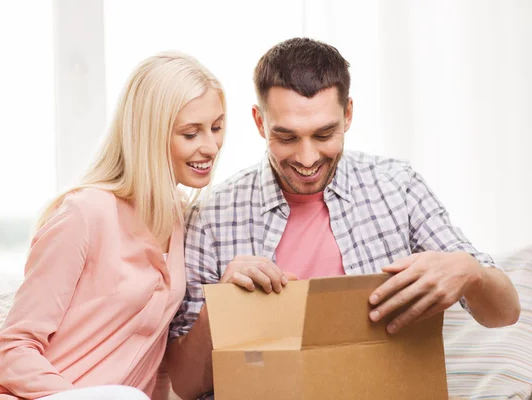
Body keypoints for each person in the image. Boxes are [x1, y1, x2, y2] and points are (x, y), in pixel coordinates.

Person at [165, 37, 521, 400]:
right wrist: (222, 307)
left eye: (324, 134)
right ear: (259, 121)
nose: (307, 158)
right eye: (286, 137)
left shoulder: (398, 187)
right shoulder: (211, 216)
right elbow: (184, 384)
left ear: (348, 114)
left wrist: (470, 272)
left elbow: (504, 313)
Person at [0, 51, 226, 400]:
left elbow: (151, 360)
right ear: (149, 135)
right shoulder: (84, 214)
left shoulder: (183, 221)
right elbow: (13, 349)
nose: (210, 146)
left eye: (217, 128)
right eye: (191, 133)